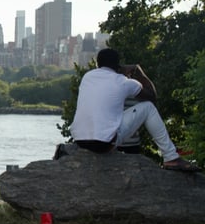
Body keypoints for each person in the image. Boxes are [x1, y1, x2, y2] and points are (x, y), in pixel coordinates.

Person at [70, 48, 198, 171]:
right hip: (103, 144)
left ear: (98, 63)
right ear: (118, 65)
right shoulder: (123, 81)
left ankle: (170, 157)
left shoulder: (87, 77)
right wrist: (139, 73)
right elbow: (152, 97)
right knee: (148, 108)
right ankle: (171, 157)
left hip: (80, 141)